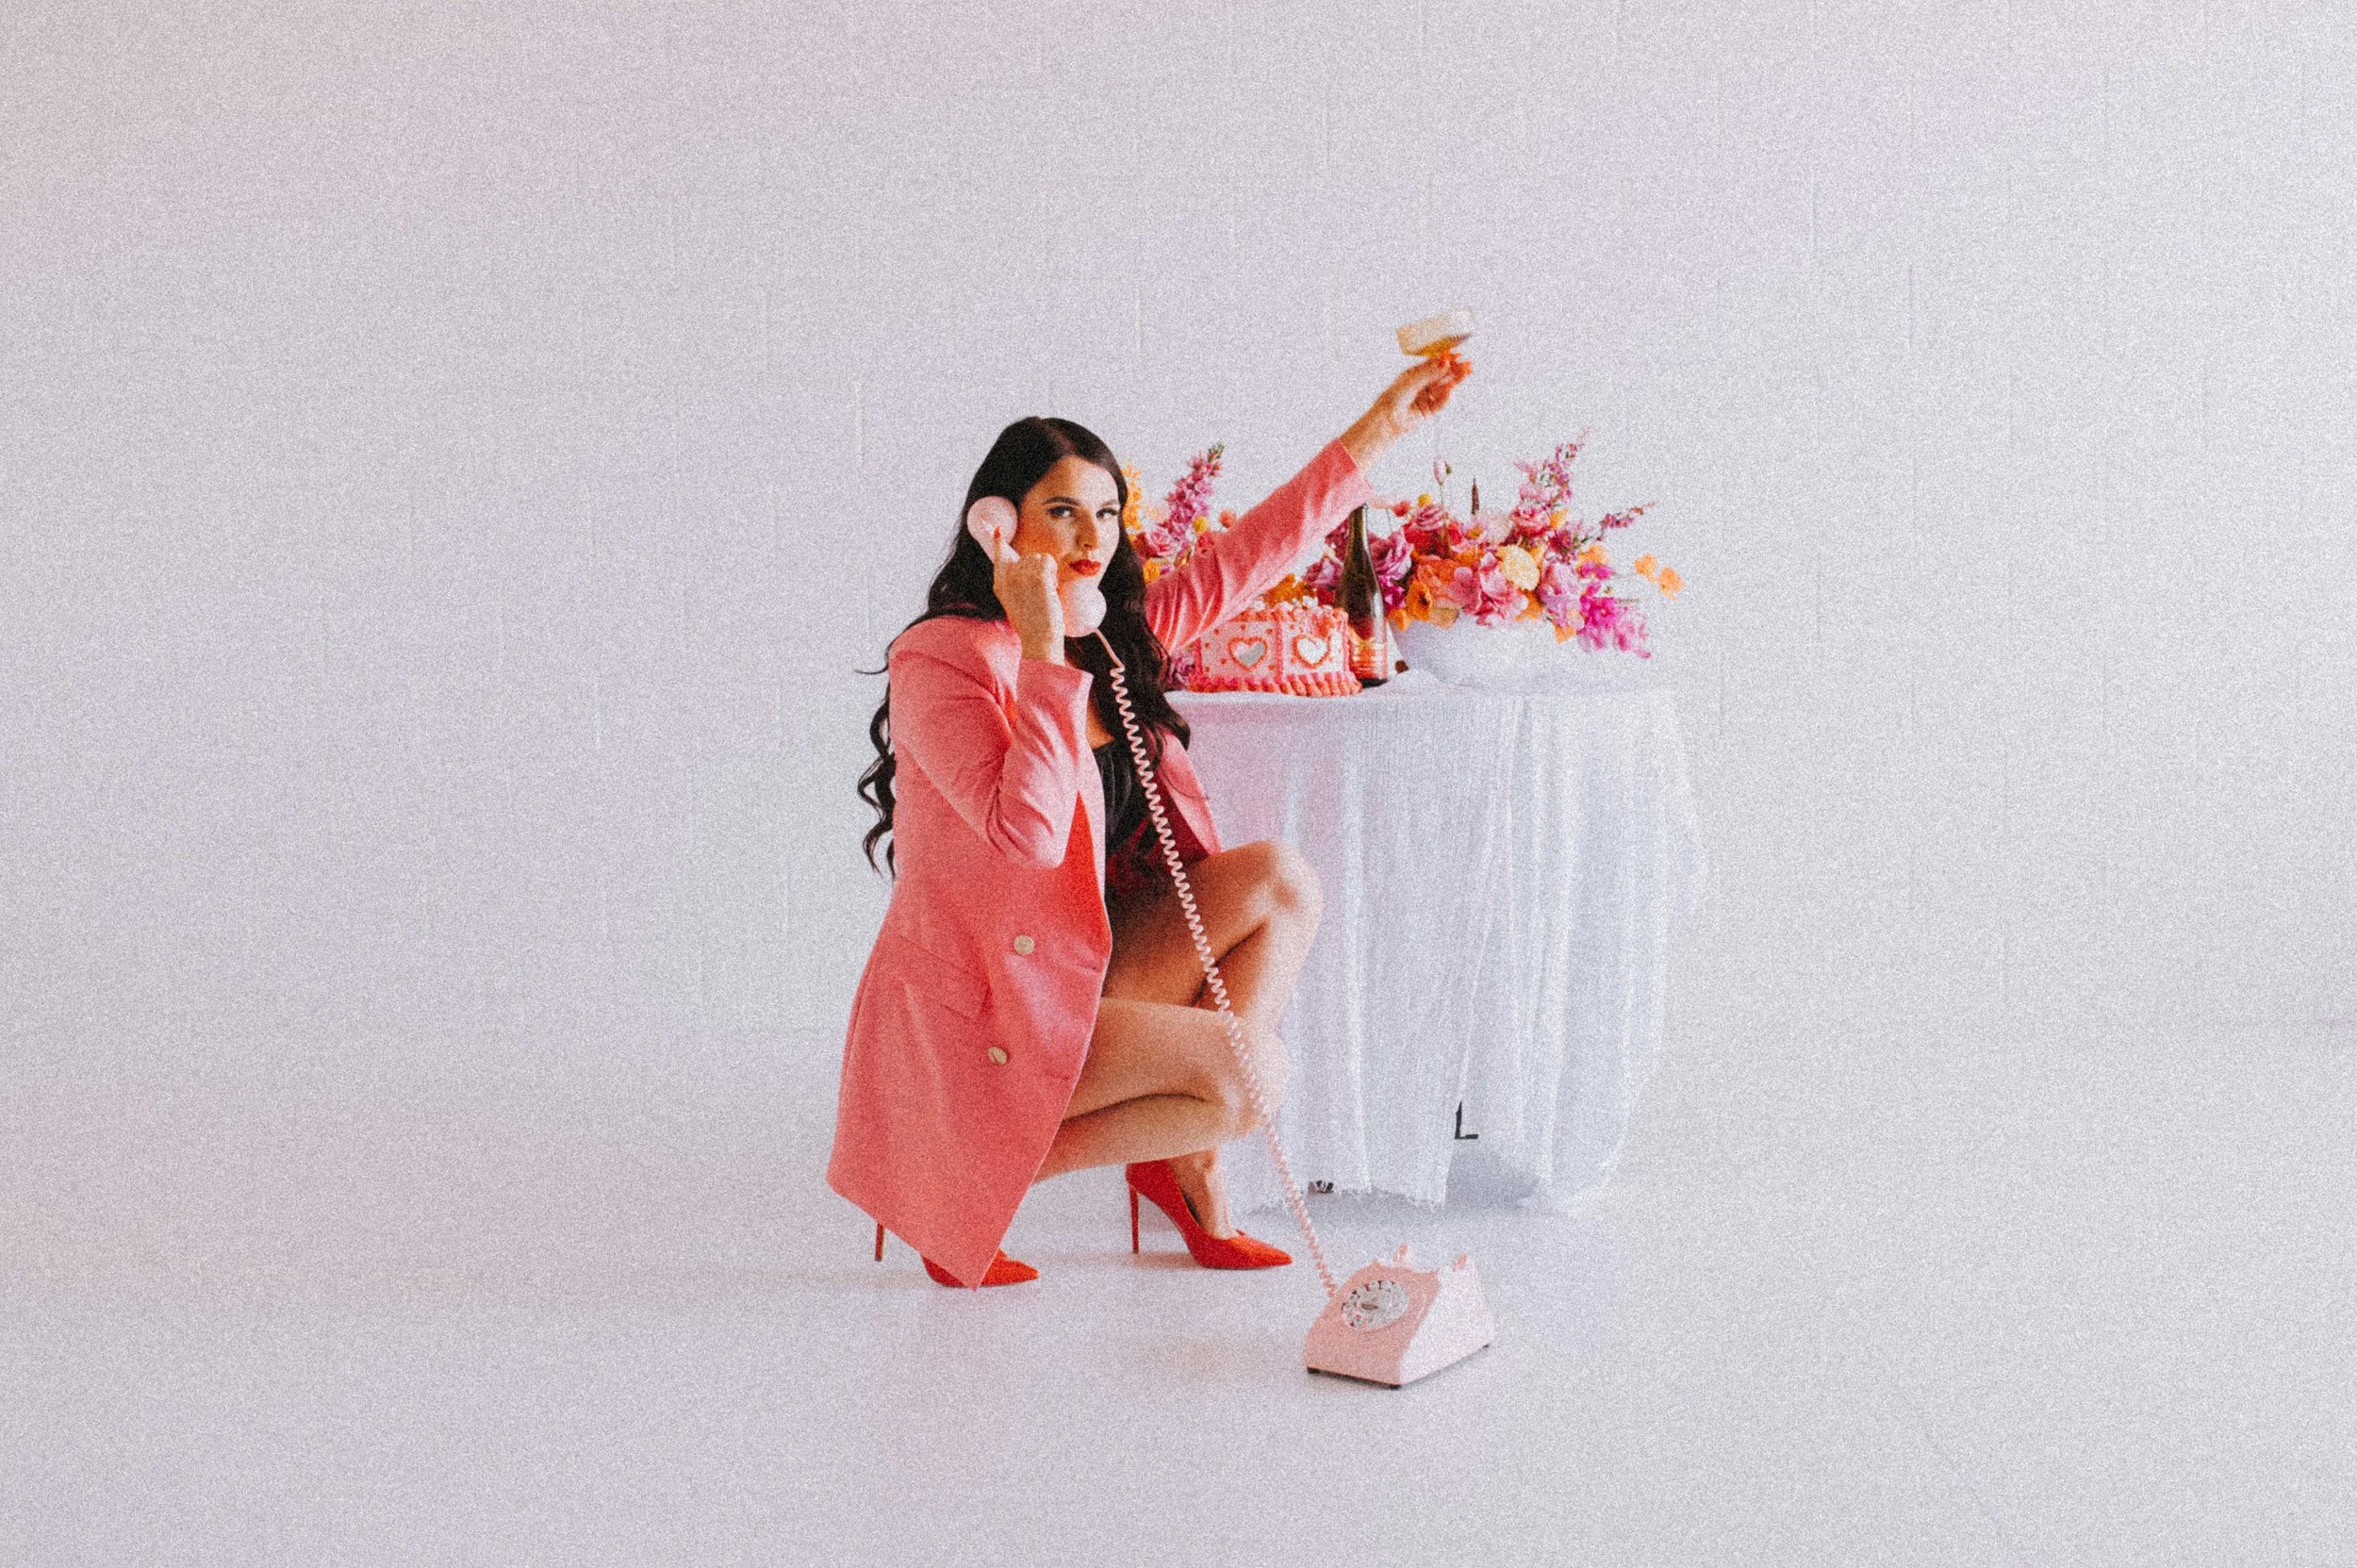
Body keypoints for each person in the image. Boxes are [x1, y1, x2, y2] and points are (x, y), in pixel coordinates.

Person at [839, 353, 1471, 1288]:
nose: (1093, 536)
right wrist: (1046, 652)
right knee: (1248, 1073)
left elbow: (1248, 556)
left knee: (1279, 880)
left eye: (1105, 512)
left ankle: (1186, 1160)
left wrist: (1382, 424)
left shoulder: (1112, 638)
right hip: (995, 1007)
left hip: (1083, 966)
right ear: (997, 524)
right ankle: (962, 1167)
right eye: (1062, 511)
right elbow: (1025, 832)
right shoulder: (942, 657)